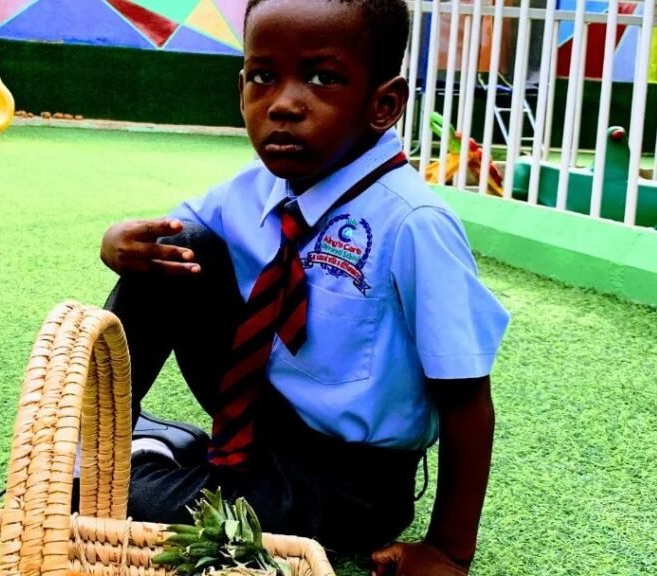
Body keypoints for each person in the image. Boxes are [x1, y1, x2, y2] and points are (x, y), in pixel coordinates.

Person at [97, 1, 510, 574]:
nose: (284, 104)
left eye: (322, 78)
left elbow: (466, 399)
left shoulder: (414, 224)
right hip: (261, 421)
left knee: (135, 507)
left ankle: (147, 456)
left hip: (345, 483)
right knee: (173, 250)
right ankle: (99, 439)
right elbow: (163, 247)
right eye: (263, 77)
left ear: (383, 104)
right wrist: (116, 243)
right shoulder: (251, 190)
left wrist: (449, 550)